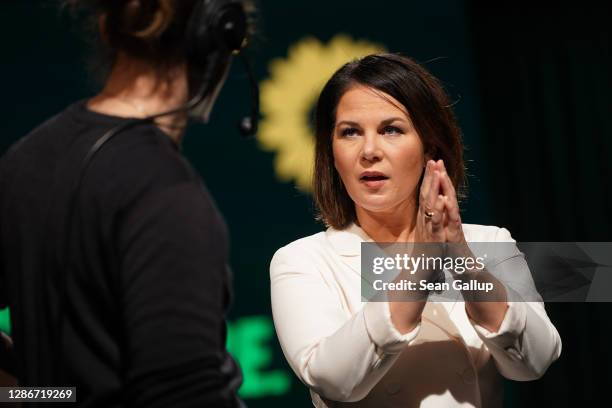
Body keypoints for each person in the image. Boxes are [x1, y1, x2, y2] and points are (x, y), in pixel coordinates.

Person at [270, 53, 562, 407]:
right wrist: (421, 264)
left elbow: (535, 360)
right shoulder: (303, 260)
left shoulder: (488, 242)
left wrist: (460, 255)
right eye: (350, 132)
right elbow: (334, 380)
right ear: (331, 154)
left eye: (391, 129)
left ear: (430, 146)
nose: (369, 151)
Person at [0, 0, 254, 406]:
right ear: (220, 36)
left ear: (107, 28)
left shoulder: (24, 159)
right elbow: (185, 395)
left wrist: (40, 394)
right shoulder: (166, 197)